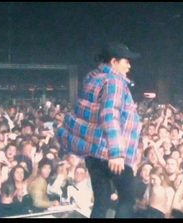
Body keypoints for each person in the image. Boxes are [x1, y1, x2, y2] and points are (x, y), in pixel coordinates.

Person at [58, 42, 141, 218]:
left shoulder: (93, 78)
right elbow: (109, 115)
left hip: (93, 153)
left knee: (101, 202)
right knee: (127, 200)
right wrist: (116, 153)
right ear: (114, 62)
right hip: (111, 153)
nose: (129, 65)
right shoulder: (114, 81)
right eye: (126, 61)